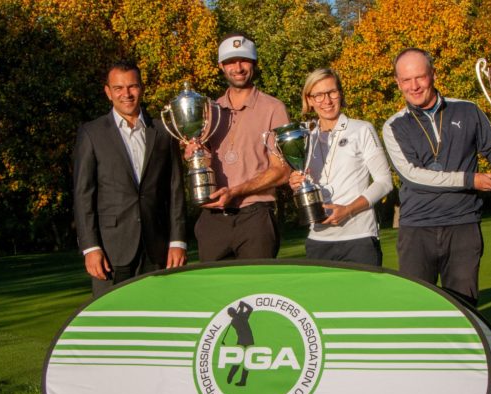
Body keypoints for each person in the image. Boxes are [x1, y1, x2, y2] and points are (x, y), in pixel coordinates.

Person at [382, 48, 491, 305]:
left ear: (433, 75)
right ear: (398, 82)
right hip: (417, 229)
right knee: (416, 309)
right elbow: (413, 176)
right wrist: (470, 180)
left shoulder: (468, 111)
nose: (414, 86)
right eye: (406, 80)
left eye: (420, 77)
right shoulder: (394, 125)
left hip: (463, 225)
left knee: (465, 309)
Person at [73, 60, 187, 298]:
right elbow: (83, 195)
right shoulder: (92, 133)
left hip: (157, 249)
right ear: (108, 92)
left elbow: (175, 189)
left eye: (132, 86)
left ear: (142, 88)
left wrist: (178, 241)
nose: (126, 94)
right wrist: (91, 248)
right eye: (119, 88)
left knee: (157, 321)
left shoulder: (164, 132)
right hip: (111, 250)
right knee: (111, 326)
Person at [187, 33, 291, 261]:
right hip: (213, 218)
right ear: (221, 66)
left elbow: (283, 170)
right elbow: (202, 161)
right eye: (230, 62)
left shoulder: (273, 108)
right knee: (214, 295)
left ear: (254, 63)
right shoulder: (209, 110)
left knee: (255, 292)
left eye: (244, 60)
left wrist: (235, 192)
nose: (238, 67)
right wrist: (193, 154)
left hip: (255, 217)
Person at [289, 68, 392, 266]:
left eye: (332, 92)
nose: (326, 101)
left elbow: (384, 182)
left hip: (359, 237)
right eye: (318, 95)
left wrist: (349, 210)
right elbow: (306, 183)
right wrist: (295, 182)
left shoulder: (362, 129)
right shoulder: (305, 137)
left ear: (340, 93)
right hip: (318, 240)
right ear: (309, 100)